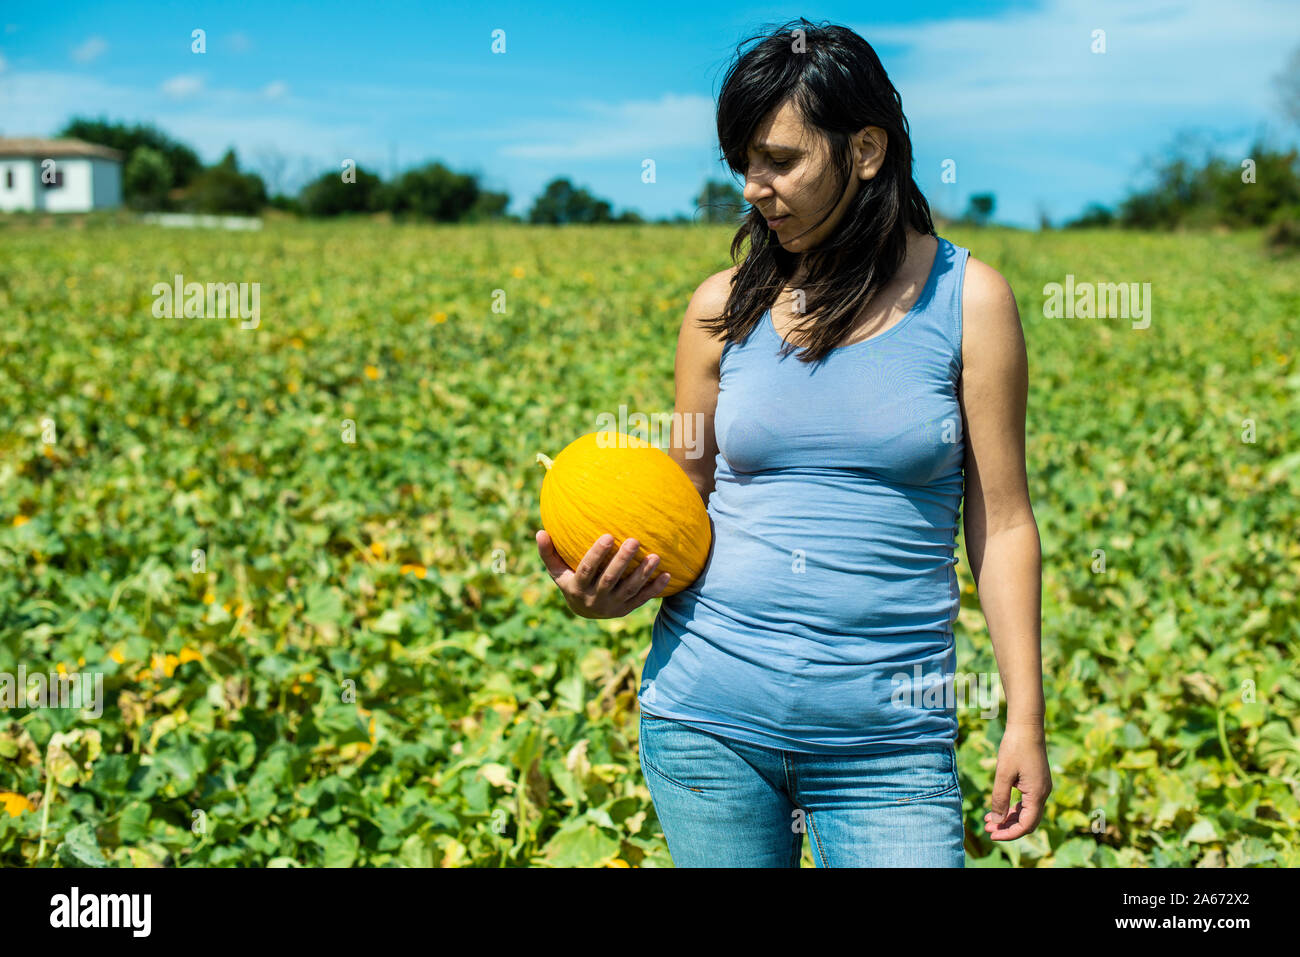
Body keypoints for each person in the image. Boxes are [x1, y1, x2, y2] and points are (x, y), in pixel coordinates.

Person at [537, 17, 1050, 867]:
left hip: (891, 747)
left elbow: (1002, 526)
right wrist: (604, 588)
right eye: (743, 163)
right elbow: (681, 503)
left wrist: (1024, 719)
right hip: (705, 722)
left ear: (868, 150)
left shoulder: (971, 302)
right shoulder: (719, 310)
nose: (753, 187)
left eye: (780, 160)